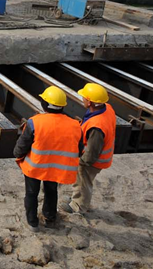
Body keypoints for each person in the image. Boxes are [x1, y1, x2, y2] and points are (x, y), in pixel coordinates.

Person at [13, 86, 83, 232]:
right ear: (62, 106)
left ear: (44, 104)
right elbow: (79, 149)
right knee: (51, 192)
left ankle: (33, 223)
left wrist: (17, 154)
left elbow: (22, 145)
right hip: (57, 168)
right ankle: (50, 218)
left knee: (31, 193)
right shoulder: (75, 125)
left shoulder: (35, 122)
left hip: (36, 167)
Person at [60, 83, 116, 215]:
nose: (82, 99)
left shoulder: (97, 125)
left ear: (90, 102)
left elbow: (92, 151)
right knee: (83, 182)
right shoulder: (107, 108)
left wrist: (82, 162)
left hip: (92, 161)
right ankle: (79, 200)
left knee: (83, 182)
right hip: (100, 157)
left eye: (84, 97)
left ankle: (78, 206)